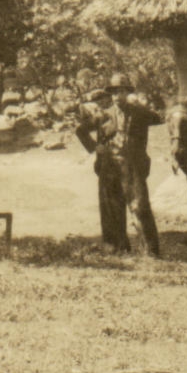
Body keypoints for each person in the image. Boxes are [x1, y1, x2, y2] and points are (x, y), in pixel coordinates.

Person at [102, 74, 163, 257]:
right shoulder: (105, 115)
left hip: (134, 167)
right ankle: (120, 248)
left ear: (127, 93)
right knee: (115, 207)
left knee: (141, 206)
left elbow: (159, 118)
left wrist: (145, 104)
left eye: (121, 92)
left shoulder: (139, 112)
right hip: (113, 167)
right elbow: (92, 134)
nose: (117, 96)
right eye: (114, 93)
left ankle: (151, 251)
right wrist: (95, 148)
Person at [74, 86, 129, 252]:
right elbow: (80, 130)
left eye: (104, 99)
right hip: (107, 165)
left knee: (123, 203)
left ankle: (123, 243)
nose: (102, 103)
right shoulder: (101, 116)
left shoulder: (128, 113)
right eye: (99, 101)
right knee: (108, 204)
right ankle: (111, 243)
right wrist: (94, 147)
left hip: (126, 164)